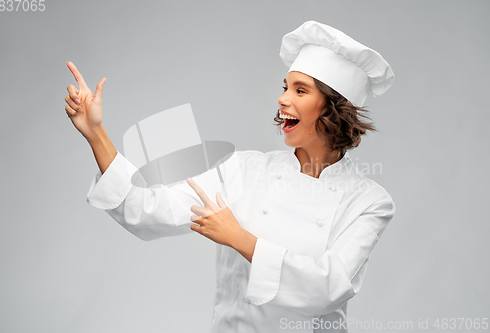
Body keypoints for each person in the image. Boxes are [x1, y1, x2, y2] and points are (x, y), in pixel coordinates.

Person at [64, 21, 396, 333]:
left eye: (300, 90)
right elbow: (149, 209)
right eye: (285, 87)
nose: (282, 99)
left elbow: (327, 287)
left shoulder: (369, 201)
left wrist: (238, 237)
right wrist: (97, 135)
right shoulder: (243, 170)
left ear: (332, 108)